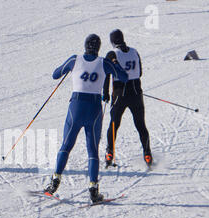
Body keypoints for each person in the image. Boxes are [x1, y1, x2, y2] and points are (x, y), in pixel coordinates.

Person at [44, 34, 128, 203]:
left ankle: (54, 182)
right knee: (92, 150)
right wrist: (114, 64)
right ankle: (93, 189)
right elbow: (124, 77)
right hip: (94, 109)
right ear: (98, 47)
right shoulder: (104, 63)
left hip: (76, 107)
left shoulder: (75, 59)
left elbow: (55, 74)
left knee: (66, 146)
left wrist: (70, 70)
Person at [103, 29, 152, 168]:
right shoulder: (134, 51)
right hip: (136, 92)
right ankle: (147, 154)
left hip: (119, 94)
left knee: (114, 124)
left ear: (112, 41)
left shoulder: (112, 54)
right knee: (140, 125)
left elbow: (107, 75)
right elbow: (140, 72)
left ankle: (110, 153)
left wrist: (105, 93)